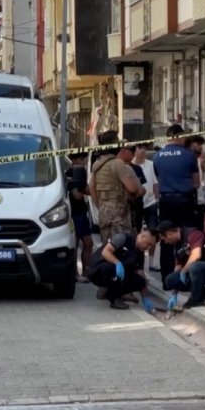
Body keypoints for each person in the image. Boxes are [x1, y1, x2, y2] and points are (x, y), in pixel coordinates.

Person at [152, 124, 200, 287]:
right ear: (179, 136)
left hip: (165, 201)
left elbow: (158, 180)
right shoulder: (189, 155)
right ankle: (184, 278)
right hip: (184, 200)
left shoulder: (157, 156)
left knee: (166, 238)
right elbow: (197, 182)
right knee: (185, 239)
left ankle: (167, 279)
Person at [89, 131, 144, 242]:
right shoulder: (117, 163)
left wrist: (100, 205)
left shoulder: (97, 164)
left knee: (107, 247)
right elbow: (133, 189)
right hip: (119, 213)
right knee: (121, 247)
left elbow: (91, 188)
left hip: (104, 212)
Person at [158, 221, 205, 309]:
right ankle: (203, 292)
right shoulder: (177, 246)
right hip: (197, 271)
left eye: (164, 239)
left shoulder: (193, 234)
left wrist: (184, 271)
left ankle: (195, 299)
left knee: (194, 266)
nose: (166, 242)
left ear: (169, 234)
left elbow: (196, 255)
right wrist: (174, 293)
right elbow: (178, 268)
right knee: (170, 279)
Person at [88, 229, 157, 310]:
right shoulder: (123, 238)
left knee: (140, 281)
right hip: (98, 270)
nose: (148, 248)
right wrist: (118, 263)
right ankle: (114, 299)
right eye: (148, 244)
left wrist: (146, 297)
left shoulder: (139, 253)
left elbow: (140, 272)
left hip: (114, 272)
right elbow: (105, 252)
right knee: (111, 268)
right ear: (141, 237)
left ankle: (109, 292)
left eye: (151, 246)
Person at [66, 153, 93, 283]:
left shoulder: (81, 172)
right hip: (74, 213)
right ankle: (75, 273)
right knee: (75, 244)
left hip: (82, 212)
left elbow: (87, 190)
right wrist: (85, 190)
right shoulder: (70, 173)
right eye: (82, 159)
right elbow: (77, 194)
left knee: (88, 243)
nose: (84, 162)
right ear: (74, 159)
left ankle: (86, 272)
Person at [132, 144, 159, 231]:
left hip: (150, 202)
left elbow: (155, 182)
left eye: (144, 148)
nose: (143, 150)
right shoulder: (129, 166)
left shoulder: (151, 164)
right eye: (140, 148)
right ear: (134, 150)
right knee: (136, 230)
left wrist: (156, 199)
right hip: (136, 204)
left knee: (153, 229)